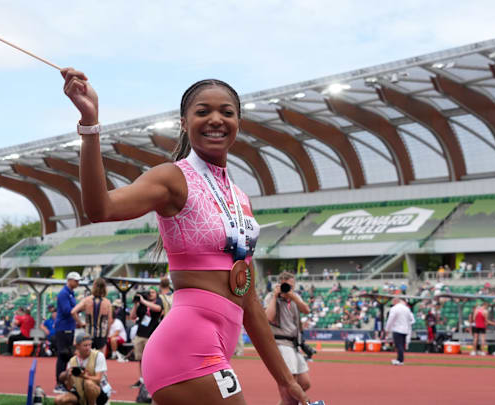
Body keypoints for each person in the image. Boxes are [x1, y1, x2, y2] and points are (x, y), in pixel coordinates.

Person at [61, 70, 309, 404]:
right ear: (184, 122)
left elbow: (249, 301)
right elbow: (100, 208)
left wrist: (285, 381)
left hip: (217, 345)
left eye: (227, 112)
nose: (216, 119)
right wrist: (90, 125)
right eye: (203, 111)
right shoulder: (173, 179)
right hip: (186, 349)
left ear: (239, 122)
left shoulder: (240, 199)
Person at [264, 271, 311, 397]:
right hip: (281, 343)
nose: (288, 289)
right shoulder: (271, 297)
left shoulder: (295, 297)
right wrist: (275, 297)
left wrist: (293, 297)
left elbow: (306, 310)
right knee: (292, 382)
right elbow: (268, 317)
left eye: (291, 286)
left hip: (294, 344)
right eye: (286, 286)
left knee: (305, 383)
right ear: (279, 284)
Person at [55, 335, 111, 405]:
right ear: (78, 346)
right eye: (85, 345)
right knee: (59, 400)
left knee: (88, 384)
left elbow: (98, 379)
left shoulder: (98, 355)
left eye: (89, 345)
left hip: (99, 392)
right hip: (79, 391)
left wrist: (84, 376)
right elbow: (69, 388)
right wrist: (68, 376)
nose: (88, 348)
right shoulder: (72, 361)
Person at [129, 288, 162, 389]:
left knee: (150, 359)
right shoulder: (142, 304)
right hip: (140, 334)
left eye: (152, 292)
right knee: (140, 359)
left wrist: (144, 301)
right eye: (149, 292)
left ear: (156, 293)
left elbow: (158, 309)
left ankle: (151, 379)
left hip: (151, 335)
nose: (150, 294)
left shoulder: (158, 301)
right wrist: (136, 304)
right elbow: (132, 317)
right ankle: (142, 379)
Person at [55, 272, 82, 393]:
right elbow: (67, 311)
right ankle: (59, 383)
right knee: (62, 355)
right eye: (76, 281)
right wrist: (79, 310)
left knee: (67, 356)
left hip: (69, 327)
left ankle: (65, 382)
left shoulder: (70, 293)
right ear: (70, 280)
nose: (78, 283)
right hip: (63, 328)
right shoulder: (63, 294)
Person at [72, 278, 112, 351]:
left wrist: (81, 324)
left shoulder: (87, 300)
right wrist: (107, 334)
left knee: (88, 358)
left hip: (89, 333)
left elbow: (73, 312)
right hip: (101, 335)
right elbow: (109, 321)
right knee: (100, 358)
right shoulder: (107, 303)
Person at [385, 298, 415, 365]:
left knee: (399, 345)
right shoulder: (406, 309)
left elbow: (390, 319)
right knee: (401, 345)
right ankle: (399, 359)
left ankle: (400, 360)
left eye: (393, 301)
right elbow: (411, 319)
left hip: (397, 329)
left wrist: (387, 329)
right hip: (405, 329)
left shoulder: (394, 308)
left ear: (396, 301)